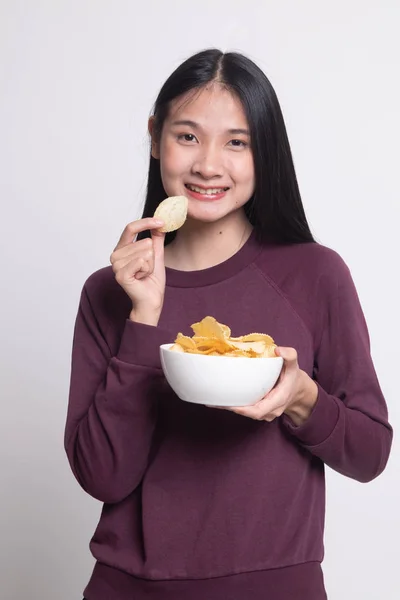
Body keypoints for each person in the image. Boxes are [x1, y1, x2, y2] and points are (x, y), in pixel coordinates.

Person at [64, 49, 393, 600]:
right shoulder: (108, 291)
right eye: (188, 136)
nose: (209, 165)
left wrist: (301, 399)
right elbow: (102, 476)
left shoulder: (315, 273)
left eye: (236, 142)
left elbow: (370, 454)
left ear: (265, 152)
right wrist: (144, 317)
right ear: (155, 137)